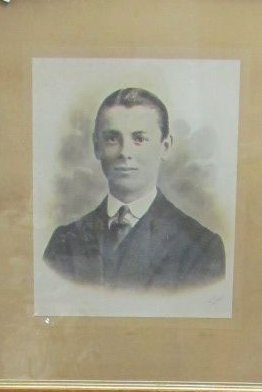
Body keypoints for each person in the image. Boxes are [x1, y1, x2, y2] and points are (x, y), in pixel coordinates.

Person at [43, 86, 226, 292]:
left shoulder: (200, 248)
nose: (125, 152)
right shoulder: (64, 241)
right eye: (112, 138)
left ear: (165, 146)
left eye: (139, 139)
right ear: (97, 146)